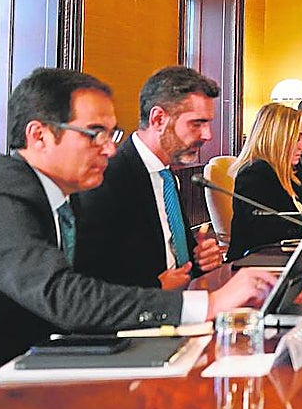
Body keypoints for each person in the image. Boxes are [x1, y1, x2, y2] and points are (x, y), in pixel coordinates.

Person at [0, 67, 274, 395]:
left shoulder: (55, 195)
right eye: (95, 134)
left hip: (23, 371)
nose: (109, 149)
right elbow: (63, 297)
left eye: (112, 135)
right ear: (39, 135)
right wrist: (209, 303)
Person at [72, 66, 224, 290]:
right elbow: (89, 279)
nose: (207, 135)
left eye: (208, 123)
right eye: (197, 123)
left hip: (186, 300)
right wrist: (156, 287)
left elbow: (177, 258)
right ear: (158, 119)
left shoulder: (168, 178)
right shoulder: (106, 179)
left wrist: (201, 259)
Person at [225, 102, 302, 261]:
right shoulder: (254, 173)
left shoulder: (293, 170)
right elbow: (267, 230)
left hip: (291, 257)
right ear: (278, 138)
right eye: (298, 138)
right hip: (254, 264)